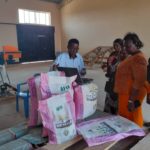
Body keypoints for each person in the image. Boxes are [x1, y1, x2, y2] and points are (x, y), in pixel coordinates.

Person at [114, 32, 147, 127]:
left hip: (131, 94)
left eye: (128, 46)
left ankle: (136, 136)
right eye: (124, 46)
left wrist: (131, 101)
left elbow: (139, 81)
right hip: (125, 92)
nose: (125, 49)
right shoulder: (132, 56)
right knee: (125, 118)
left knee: (133, 117)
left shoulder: (139, 58)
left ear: (136, 44)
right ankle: (129, 135)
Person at [104, 38, 126, 114]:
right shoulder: (112, 54)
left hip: (120, 82)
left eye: (117, 45)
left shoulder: (124, 55)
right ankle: (107, 115)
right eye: (114, 45)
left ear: (122, 46)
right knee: (109, 100)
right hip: (111, 81)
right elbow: (109, 68)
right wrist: (109, 66)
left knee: (117, 102)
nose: (115, 47)